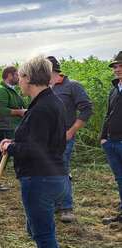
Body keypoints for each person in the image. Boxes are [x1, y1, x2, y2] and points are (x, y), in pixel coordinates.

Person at [0, 55, 70, 248]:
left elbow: (35, 149)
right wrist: (17, 144)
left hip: (40, 179)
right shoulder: (50, 101)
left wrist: (10, 147)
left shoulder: (42, 108)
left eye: (21, 77)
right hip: (53, 176)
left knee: (43, 233)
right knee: (44, 231)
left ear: (29, 78)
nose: (19, 81)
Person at [47, 56, 93, 223]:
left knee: (62, 169)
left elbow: (87, 109)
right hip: (47, 138)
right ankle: (56, 203)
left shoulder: (72, 86)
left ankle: (67, 207)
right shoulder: (46, 89)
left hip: (64, 137)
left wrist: (72, 130)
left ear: (52, 71)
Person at [0, 66, 26, 190]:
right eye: (16, 75)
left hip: (11, 126)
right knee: (1, 155)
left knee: (5, 155)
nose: (18, 78)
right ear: (9, 76)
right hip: (4, 127)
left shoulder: (10, 90)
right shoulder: (1, 91)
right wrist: (19, 112)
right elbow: (0, 110)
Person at [100, 51, 122, 225]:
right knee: (120, 178)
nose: (118, 69)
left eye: (121, 65)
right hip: (111, 142)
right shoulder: (114, 90)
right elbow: (108, 115)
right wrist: (103, 138)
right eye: (115, 66)